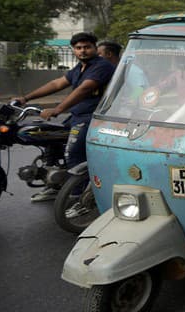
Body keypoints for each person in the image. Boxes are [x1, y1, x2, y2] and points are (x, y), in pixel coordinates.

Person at [13, 32, 115, 201]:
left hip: (92, 117)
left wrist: (57, 109)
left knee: (73, 153)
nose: (83, 51)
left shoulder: (101, 66)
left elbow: (85, 88)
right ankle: (55, 185)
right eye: (78, 48)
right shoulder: (79, 68)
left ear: (95, 48)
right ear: (74, 50)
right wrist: (25, 98)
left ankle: (79, 197)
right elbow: (56, 84)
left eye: (87, 47)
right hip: (76, 115)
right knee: (50, 141)